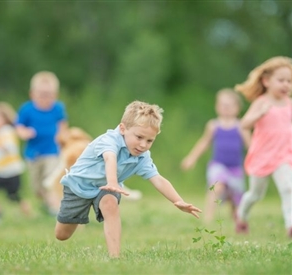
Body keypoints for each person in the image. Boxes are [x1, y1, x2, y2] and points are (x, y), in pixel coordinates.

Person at [54, 100, 202, 258]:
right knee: (62, 235)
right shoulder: (109, 140)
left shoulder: (141, 156)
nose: (143, 145)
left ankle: (115, 257)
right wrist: (112, 182)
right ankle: (77, 214)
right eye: (139, 137)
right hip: (78, 186)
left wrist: (177, 201)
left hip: (108, 188)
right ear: (123, 128)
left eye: (149, 140)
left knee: (110, 202)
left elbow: (158, 179)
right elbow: (110, 158)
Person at [234, 56, 292, 238]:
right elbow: (244, 125)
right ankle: (242, 216)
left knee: (288, 188)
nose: (286, 85)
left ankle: (290, 225)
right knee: (255, 194)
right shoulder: (261, 102)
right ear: (266, 81)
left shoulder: (289, 104)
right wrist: (258, 114)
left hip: (283, 155)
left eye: (289, 81)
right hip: (262, 156)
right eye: (281, 80)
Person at [180, 89, 251, 223]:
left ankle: (238, 219)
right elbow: (203, 143)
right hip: (218, 165)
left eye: (229, 106)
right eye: (222, 105)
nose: (226, 108)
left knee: (235, 197)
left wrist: (258, 161)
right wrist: (191, 158)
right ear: (217, 107)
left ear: (237, 108)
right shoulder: (213, 125)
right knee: (217, 187)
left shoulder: (241, 126)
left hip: (235, 168)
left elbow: (250, 146)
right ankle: (208, 218)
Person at [15, 71, 68, 215]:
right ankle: (47, 204)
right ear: (32, 94)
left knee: (50, 180)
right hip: (33, 154)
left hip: (52, 151)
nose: (45, 98)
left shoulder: (58, 108)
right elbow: (18, 126)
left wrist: (62, 138)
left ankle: (57, 209)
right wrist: (24, 133)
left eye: (49, 94)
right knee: (37, 187)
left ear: (55, 95)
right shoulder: (27, 109)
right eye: (42, 94)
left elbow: (62, 125)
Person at [0, 102, 32, 217]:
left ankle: (28, 212)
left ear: (4, 119)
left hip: (12, 170)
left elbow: (10, 148)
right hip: (0, 171)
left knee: (13, 196)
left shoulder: (8, 131)